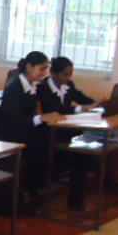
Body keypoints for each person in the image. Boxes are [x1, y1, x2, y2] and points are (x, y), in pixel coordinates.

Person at [0, 51, 63, 208]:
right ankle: (31, 191)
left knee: (55, 140)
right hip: (12, 135)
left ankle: (38, 188)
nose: (44, 73)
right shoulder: (14, 89)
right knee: (41, 146)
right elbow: (15, 122)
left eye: (46, 69)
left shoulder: (32, 86)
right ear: (29, 67)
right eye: (41, 69)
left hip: (25, 131)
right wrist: (41, 118)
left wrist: (46, 116)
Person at [37, 56, 99, 210]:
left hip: (67, 131)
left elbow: (82, 99)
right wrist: (79, 109)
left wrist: (97, 104)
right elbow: (56, 111)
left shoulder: (68, 85)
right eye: (65, 74)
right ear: (53, 74)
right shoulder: (43, 88)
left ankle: (77, 198)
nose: (68, 78)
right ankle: (75, 200)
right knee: (81, 155)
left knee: (89, 151)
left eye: (70, 74)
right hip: (50, 133)